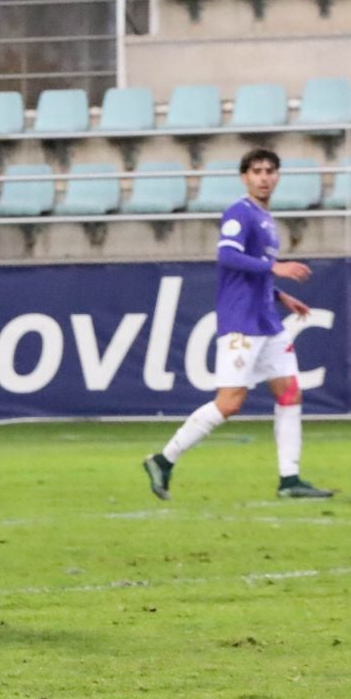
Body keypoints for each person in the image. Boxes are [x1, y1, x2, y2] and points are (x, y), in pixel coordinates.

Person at [143, 149, 331, 500]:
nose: (264, 177)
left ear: (278, 177)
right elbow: (227, 256)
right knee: (229, 402)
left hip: (267, 319)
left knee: (290, 392)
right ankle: (163, 459)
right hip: (242, 321)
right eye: (257, 170)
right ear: (244, 176)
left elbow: (252, 268)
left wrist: (279, 295)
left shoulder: (266, 220)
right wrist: (275, 269)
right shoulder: (239, 212)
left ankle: (289, 480)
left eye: (270, 171)